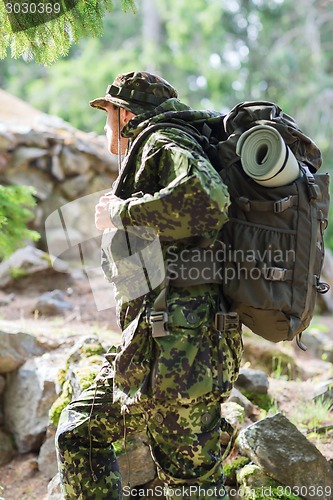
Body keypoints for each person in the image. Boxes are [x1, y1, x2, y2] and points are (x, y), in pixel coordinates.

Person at [55, 71, 243, 499]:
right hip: (163, 343)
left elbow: (209, 200)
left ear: (123, 114)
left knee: (192, 485)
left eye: (107, 113)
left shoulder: (162, 142)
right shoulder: (158, 146)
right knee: (80, 433)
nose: (105, 124)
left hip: (180, 352)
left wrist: (122, 212)